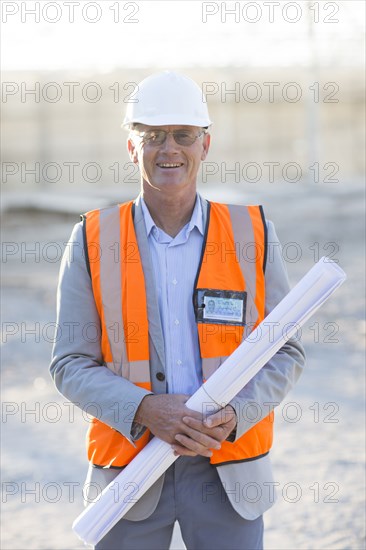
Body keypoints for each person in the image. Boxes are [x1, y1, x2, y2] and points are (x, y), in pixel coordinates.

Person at [50, 71, 305, 550]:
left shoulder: (251, 233)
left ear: (204, 145)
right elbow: (69, 363)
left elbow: (285, 351)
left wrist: (238, 412)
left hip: (227, 475)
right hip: (130, 475)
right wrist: (145, 409)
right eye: (153, 137)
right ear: (131, 147)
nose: (169, 150)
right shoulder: (92, 239)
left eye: (183, 136)